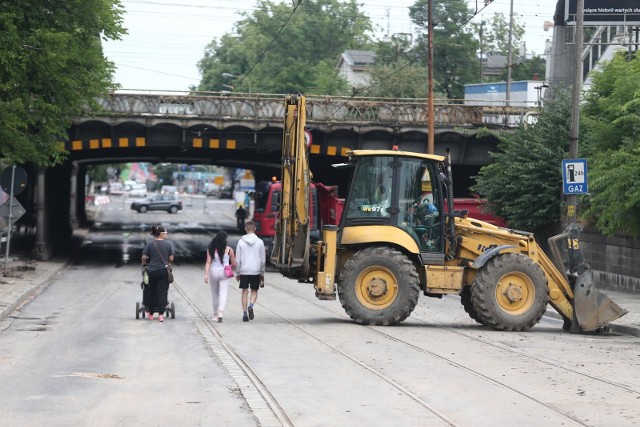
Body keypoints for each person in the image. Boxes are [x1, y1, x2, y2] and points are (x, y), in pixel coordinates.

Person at [141, 225, 174, 322]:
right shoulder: (168, 245)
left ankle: (150, 314)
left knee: (152, 291)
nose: (166, 235)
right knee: (163, 292)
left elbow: (144, 257)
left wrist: (144, 264)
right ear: (161, 234)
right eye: (165, 233)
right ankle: (160, 315)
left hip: (152, 271)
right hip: (164, 271)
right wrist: (168, 262)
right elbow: (171, 258)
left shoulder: (150, 244)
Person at [235, 220, 265, 322]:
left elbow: (237, 259)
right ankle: (251, 306)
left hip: (244, 270)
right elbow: (263, 260)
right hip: (255, 270)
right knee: (254, 291)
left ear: (245, 229)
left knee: (244, 291)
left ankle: (244, 314)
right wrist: (262, 272)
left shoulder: (240, 242)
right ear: (255, 229)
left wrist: (238, 272)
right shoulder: (260, 242)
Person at [204, 231, 236, 322]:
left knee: (215, 294)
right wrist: (229, 267)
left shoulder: (210, 249)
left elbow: (208, 262)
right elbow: (234, 263)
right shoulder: (229, 250)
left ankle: (215, 315)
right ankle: (221, 313)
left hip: (213, 272)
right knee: (223, 293)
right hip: (225, 273)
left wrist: (206, 274)